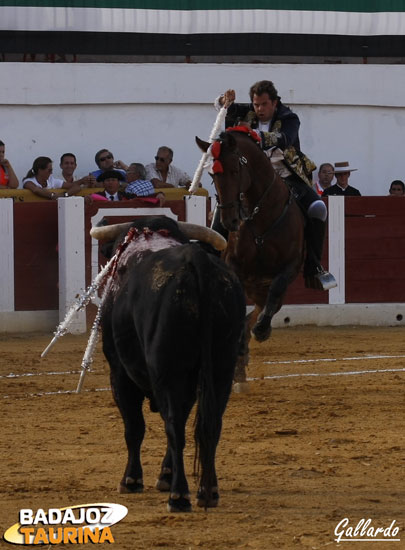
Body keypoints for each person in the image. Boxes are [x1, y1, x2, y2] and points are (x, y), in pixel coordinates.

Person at [215, 80, 335, 291]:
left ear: (274, 102)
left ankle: (313, 265)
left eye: (263, 104)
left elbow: (284, 138)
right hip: (254, 179)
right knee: (225, 204)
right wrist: (224, 101)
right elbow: (226, 110)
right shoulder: (248, 112)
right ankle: (211, 255)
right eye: (256, 104)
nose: (259, 109)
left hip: (286, 175)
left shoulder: (289, 118)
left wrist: (256, 136)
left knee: (318, 208)